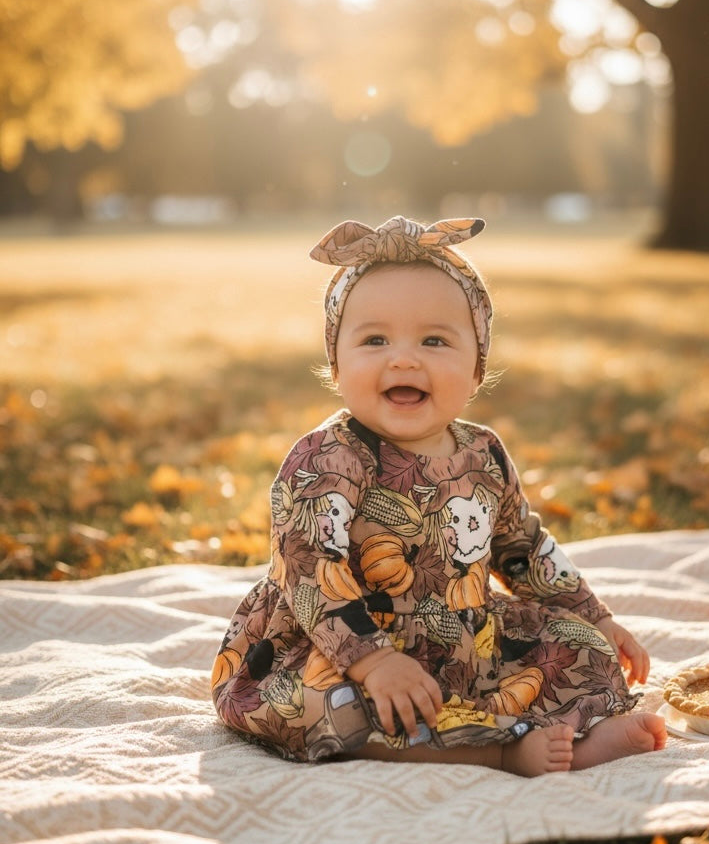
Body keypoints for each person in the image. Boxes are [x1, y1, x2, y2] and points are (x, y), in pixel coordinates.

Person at [211, 217, 666, 776]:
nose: (403, 359)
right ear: (336, 365)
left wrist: (594, 617)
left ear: (476, 370)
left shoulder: (483, 453)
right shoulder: (327, 458)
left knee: (577, 645)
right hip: (339, 642)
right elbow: (307, 570)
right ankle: (499, 750)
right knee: (323, 705)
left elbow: (522, 547)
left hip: (460, 645)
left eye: (433, 341)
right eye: (374, 340)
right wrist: (373, 661)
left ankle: (579, 728)